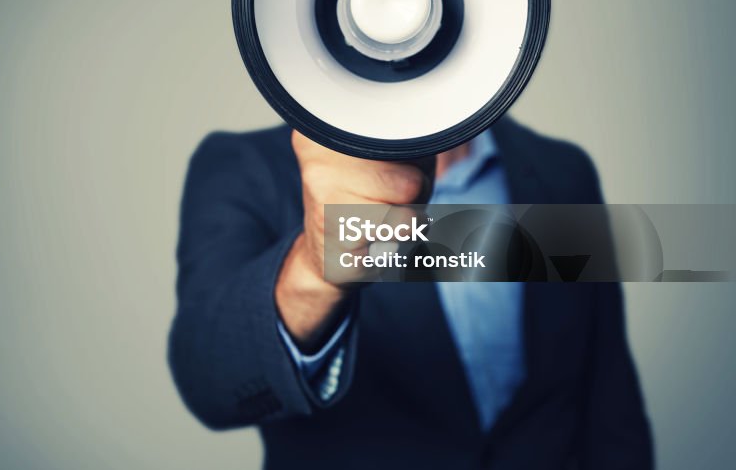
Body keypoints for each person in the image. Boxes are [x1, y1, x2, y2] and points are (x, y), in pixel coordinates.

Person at [168, 116, 652, 469]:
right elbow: (209, 377)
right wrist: (316, 270)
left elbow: (608, 394)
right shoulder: (245, 165)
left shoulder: (563, 171)